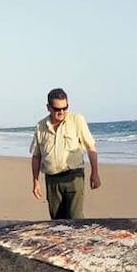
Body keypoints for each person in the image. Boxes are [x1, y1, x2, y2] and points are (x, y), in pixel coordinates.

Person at [30, 88, 101, 219]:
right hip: (52, 180)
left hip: (74, 177)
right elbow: (36, 156)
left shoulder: (76, 120)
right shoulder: (40, 127)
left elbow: (90, 147)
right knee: (57, 221)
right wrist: (36, 181)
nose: (61, 112)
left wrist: (95, 173)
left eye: (65, 108)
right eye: (57, 109)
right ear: (48, 108)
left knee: (76, 218)